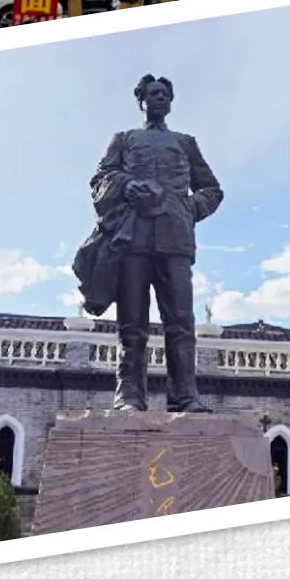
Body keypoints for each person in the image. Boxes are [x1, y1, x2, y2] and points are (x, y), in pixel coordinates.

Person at [77, 71, 223, 414]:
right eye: (152, 94)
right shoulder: (123, 139)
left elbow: (212, 189)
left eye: (164, 95)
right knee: (131, 324)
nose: (159, 98)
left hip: (175, 240)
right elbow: (100, 179)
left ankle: (185, 395)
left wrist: (189, 207)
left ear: (170, 103)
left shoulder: (186, 143)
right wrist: (126, 186)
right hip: (133, 240)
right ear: (140, 100)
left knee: (182, 322)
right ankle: (129, 395)